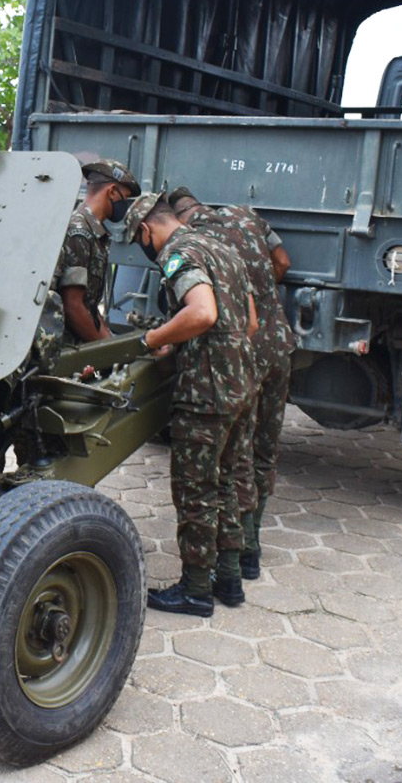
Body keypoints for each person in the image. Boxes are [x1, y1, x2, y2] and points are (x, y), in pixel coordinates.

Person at [123, 192, 257, 617]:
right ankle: (229, 578)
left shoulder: (179, 254)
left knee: (195, 488)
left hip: (207, 392)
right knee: (227, 481)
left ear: (146, 230)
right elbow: (249, 322)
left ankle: (196, 589)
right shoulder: (222, 249)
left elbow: (202, 313)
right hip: (241, 384)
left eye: (139, 240)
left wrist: (153, 339)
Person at [168, 187, 294, 581]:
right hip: (279, 344)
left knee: (235, 460)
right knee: (264, 453)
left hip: (242, 356)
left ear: (181, 218)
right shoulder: (247, 215)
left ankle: (236, 559)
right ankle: (251, 552)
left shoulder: (199, 242)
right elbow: (283, 262)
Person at [54, 161, 141, 343]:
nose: (125, 207)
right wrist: (104, 351)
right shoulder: (79, 232)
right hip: (64, 347)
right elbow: (73, 306)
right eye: (124, 199)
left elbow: (89, 306)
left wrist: (111, 345)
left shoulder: (94, 232)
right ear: (111, 192)